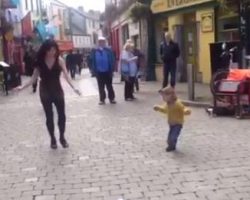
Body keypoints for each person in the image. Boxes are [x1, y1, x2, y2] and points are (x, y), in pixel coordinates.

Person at [15, 40, 81, 149]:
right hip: (45, 91)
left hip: (57, 90)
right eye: (51, 50)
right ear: (45, 50)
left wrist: (74, 87)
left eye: (54, 50)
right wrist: (22, 87)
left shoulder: (59, 60)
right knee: (49, 116)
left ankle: (62, 137)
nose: (53, 52)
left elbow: (66, 75)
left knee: (62, 115)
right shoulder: (40, 62)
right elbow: (33, 78)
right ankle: (53, 139)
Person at [153, 87, 191, 152]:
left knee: (173, 137)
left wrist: (186, 111)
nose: (163, 98)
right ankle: (172, 145)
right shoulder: (168, 104)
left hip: (178, 123)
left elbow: (183, 109)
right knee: (169, 138)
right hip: (171, 123)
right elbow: (165, 110)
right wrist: (158, 108)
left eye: (164, 97)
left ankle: (172, 146)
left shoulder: (177, 104)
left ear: (170, 95)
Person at [91, 36, 116, 105]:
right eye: (100, 42)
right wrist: (93, 70)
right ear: (98, 43)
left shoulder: (108, 50)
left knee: (109, 86)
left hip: (108, 71)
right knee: (101, 86)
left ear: (105, 42)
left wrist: (113, 68)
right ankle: (102, 99)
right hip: (98, 72)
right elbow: (91, 60)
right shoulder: (94, 51)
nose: (101, 43)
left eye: (103, 41)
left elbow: (112, 59)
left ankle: (112, 98)